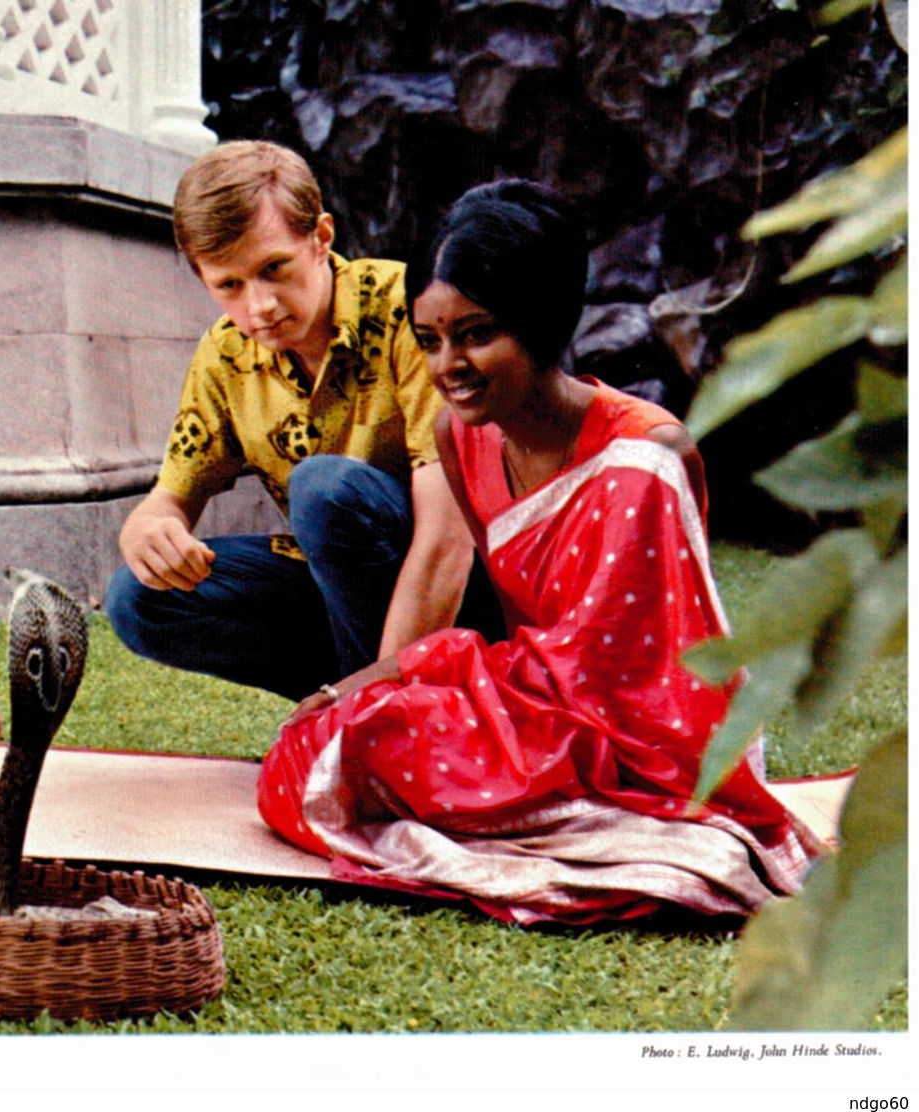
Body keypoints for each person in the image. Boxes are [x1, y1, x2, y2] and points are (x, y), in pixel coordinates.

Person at [256, 180, 822, 925]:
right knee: (307, 747)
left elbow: (626, 677)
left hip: (637, 741)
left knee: (362, 744)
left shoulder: (641, 459)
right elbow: (531, 647)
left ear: (543, 323)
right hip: (538, 704)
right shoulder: (465, 438)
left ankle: (616, 833)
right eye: (429, 340)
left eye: (476, 333)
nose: (447, 366)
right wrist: (371, 681)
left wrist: (424, 679)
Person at [104, 141, 492, 702]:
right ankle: (343, 704)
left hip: (464, 594)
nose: (258, 305)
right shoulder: (225, 355)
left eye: (273, 269)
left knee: (325, 489)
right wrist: (145, 529)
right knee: (138, 599)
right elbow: (169, 499)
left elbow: (448, 539)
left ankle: (384, 713)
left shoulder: (414, 311)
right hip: (343, 599)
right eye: (229, 285)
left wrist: (375, 705)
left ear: (321, 237)